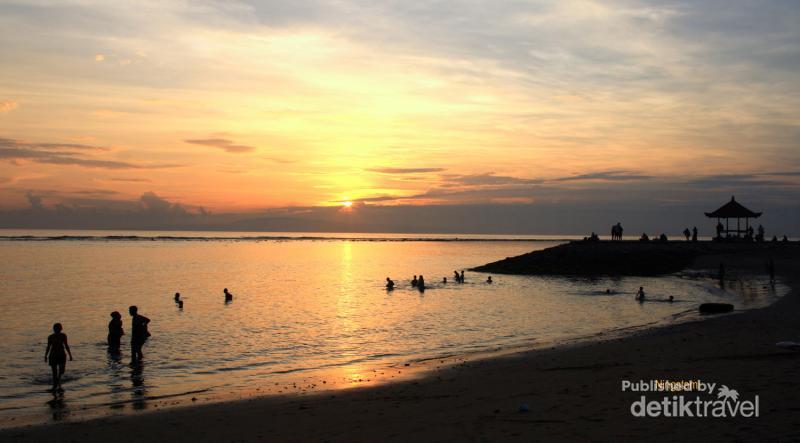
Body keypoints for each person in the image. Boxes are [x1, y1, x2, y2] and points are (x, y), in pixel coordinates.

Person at [44, 323, 73, 392]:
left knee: (62, 371)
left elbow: (66, 345)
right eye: (56, 328)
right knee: (54, 373)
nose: (57, 330)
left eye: (59, 328)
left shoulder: (63, 336)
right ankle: (55, 387)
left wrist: (70, 355)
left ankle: (58, 381)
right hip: (53, 355)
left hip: (61, 354)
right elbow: (48, 347)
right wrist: (45, 356)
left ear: (61, 329)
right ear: (53, 329)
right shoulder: (50, 337)